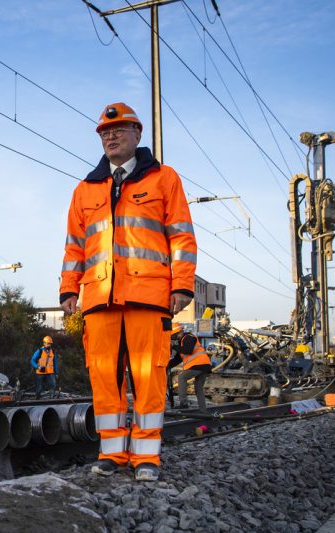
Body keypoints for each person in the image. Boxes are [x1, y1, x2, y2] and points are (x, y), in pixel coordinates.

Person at [59, 102, 197, 482]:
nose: (111, 136)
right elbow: (74, 246)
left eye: (118, 129)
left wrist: (182, 284)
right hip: (98, 298)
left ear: (137, 133)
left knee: (148, 376)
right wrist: (69, 290)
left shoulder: (164, 179)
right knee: (104, 376)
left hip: (149, 295)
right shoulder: (84, 190)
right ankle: (112, 452)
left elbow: (181, 236)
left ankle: (146, 456)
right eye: (105, 132)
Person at [168, 325, 211, 411]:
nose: (175, 338)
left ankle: (183, 404)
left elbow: (188, 350)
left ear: (180, 332)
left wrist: (173, 346)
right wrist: (167, 365)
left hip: (199, 365)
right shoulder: (182, 343)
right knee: (198, 388)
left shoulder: (188, 337)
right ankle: (203, 410)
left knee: (182, 377)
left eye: (175, 336)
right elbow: (177, 359)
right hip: (205, 365)